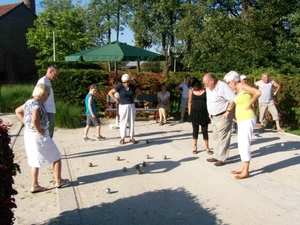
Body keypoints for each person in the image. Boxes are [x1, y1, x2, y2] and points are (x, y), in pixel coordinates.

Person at [15, 84, 69, 193]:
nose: (48, 97)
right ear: (43, 94)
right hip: (39, 136)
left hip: (29, 134)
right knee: (56, 156)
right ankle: (59, 180)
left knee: (34, 161)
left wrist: (26, 123)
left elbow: (17, 111)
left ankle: (34, 185)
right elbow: (35, 119)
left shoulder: (28, 102)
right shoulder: (36, 104)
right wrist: (39, 130)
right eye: (48, 94)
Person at [224, 71, 261, 179]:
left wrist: (250, 104)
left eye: (228, 83)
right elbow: (235, 102)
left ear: (233, 81)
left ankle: (246, 170)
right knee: (241, 143)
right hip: (242, 119)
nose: (228, 85)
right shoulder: (238, 89)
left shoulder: (243, 86)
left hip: (247, 118)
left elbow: (257, 92)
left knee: (245, 144)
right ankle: (242, 167)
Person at [203, 73, 235, 166]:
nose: (205, 86)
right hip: (213, 115)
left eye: (206, 83)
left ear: (212, 81)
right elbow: (211, 101)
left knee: (223, 137)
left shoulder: (223, 87)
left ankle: (222, 158)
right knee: (216, 136)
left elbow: (233, 99)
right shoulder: (210, 88)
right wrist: (210, 112)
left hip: (223, 115)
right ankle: (216, 155)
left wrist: (228, 111)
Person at [108, 74, 140, 144]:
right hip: (123, 106)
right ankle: (122, 137)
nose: (126, 83)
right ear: (122, 82)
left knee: (131, 121)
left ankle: (131, 137)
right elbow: (110, 92)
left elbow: (138, 91)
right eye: (124, 82)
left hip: (131, 105)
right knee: (123, 122)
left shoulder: (132, 87)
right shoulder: (120, 87)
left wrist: (135, 97)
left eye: (127, 82)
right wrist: (116, 99)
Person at [188, 78, 211, 155]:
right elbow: (190, 102)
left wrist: (209, 112)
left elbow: (209, 101)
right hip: (195, 113)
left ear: (197, 85)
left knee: (204, 130)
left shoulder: (205, 90)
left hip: (204, 113)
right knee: (195, 130)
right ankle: (195, 146)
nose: (193, 88)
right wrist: (189, 112)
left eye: (194, 86)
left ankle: (207, 147)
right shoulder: (191, 91)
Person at [37, 65, 59, 138]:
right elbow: (39, 96)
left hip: (51, 110)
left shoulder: (48, 81)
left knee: (50, 131)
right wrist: (44, 110)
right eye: (55, 74)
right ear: (51, 71)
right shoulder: (43, 81)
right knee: (47, 132)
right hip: (47, 110)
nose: (55, 76)